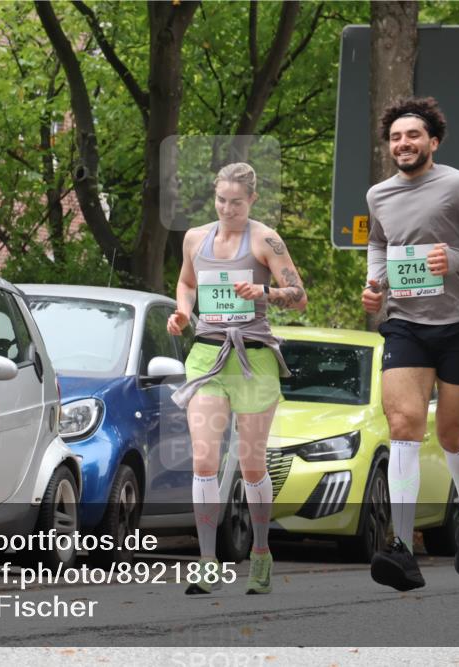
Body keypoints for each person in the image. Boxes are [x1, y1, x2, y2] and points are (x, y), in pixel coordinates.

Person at [361, 97, 459, 591]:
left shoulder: (458, 185)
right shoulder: (378, 194)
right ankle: (402, 547)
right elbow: (380, 242)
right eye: (395, 138)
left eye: (413, 136)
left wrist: (457, 260)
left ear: (432, 142)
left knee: (452, 435)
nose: (403, 144)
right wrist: (375, 282)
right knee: (404, 425)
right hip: (406, 321)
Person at [167, 162, 307, 595]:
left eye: (237, 203)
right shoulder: (195, 238)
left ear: (252, 201)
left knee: (251, 465)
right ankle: (208, 561)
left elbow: (299, 297)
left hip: (254, 358)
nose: (228, 209)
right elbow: (186, 283)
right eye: (221, 201)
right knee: (204, 460)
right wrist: (184, 312)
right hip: (208, 355)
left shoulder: (266, 239)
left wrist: (263, 293)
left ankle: (261, 552)